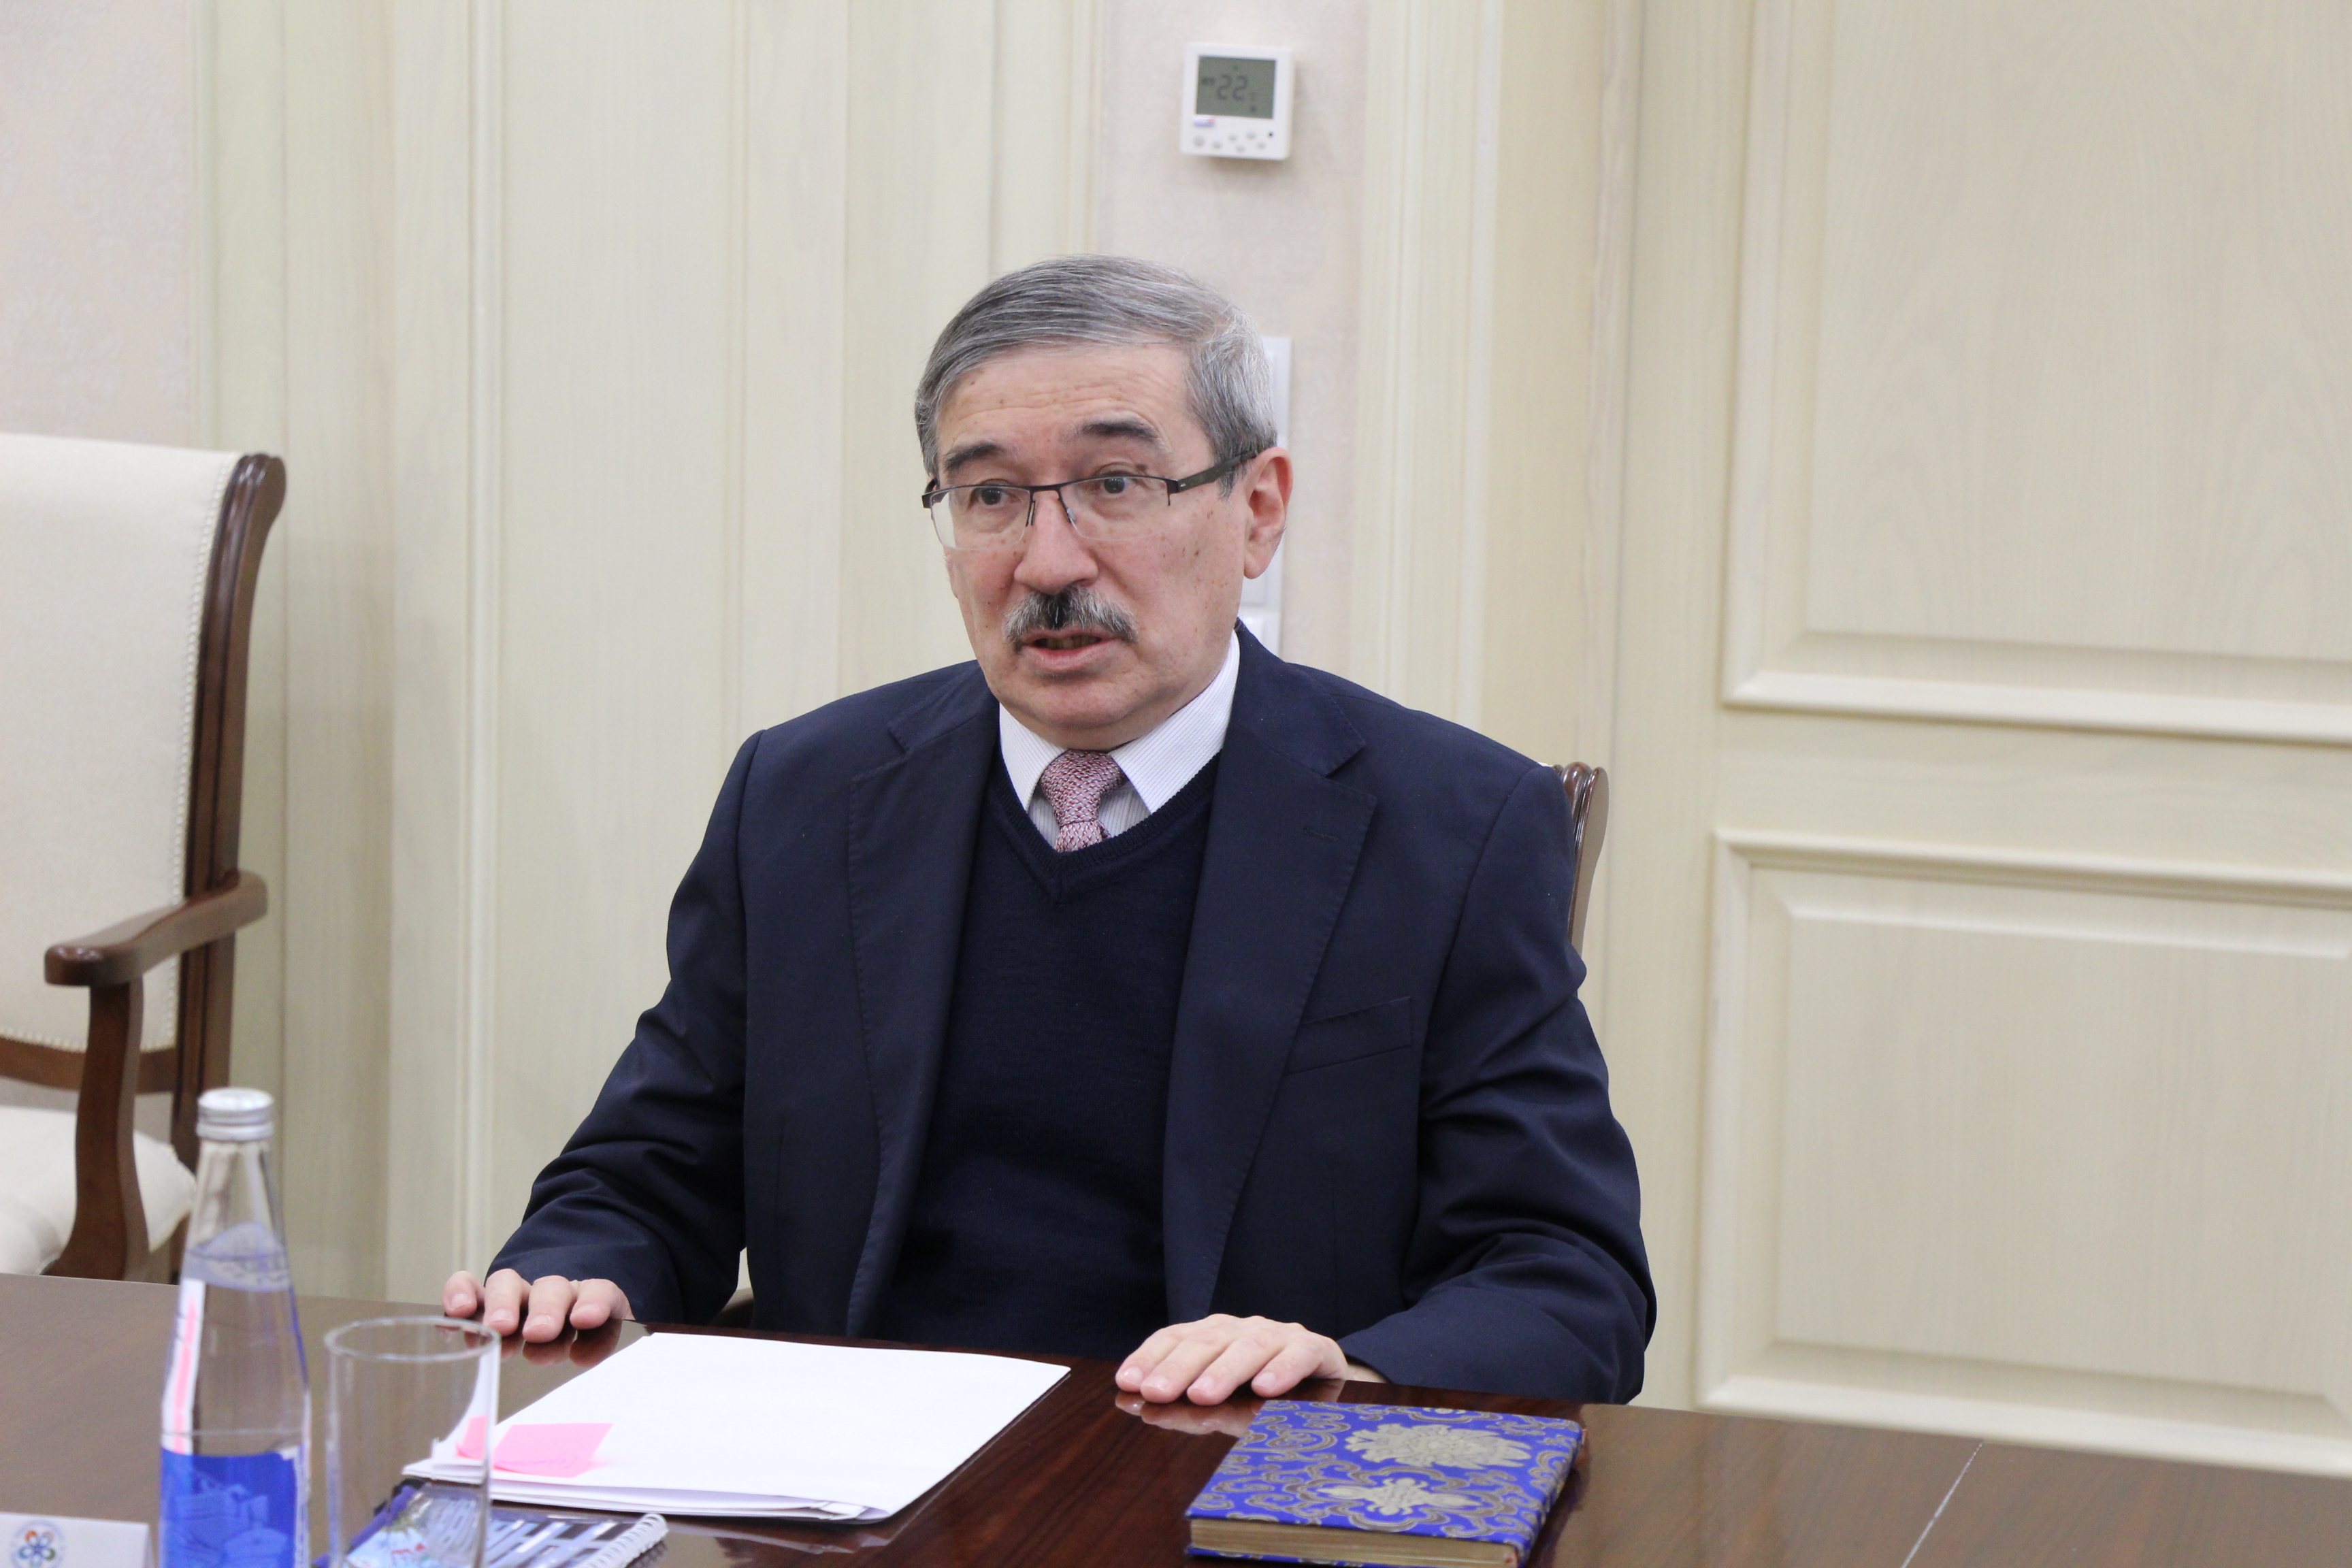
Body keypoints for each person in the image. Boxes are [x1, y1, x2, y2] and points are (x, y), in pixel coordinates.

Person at [444, 255, 1653, 1405]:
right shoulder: (806, 794)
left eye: (1116, 485)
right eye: (990, 498)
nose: (1047, 561)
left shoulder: (1455, 826)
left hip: (1215, 1479)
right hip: (848, 1481)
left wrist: (1348, 1371)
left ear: (1257, 510)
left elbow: (1568, 1277)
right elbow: (650, 1172)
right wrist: (576, 1273)